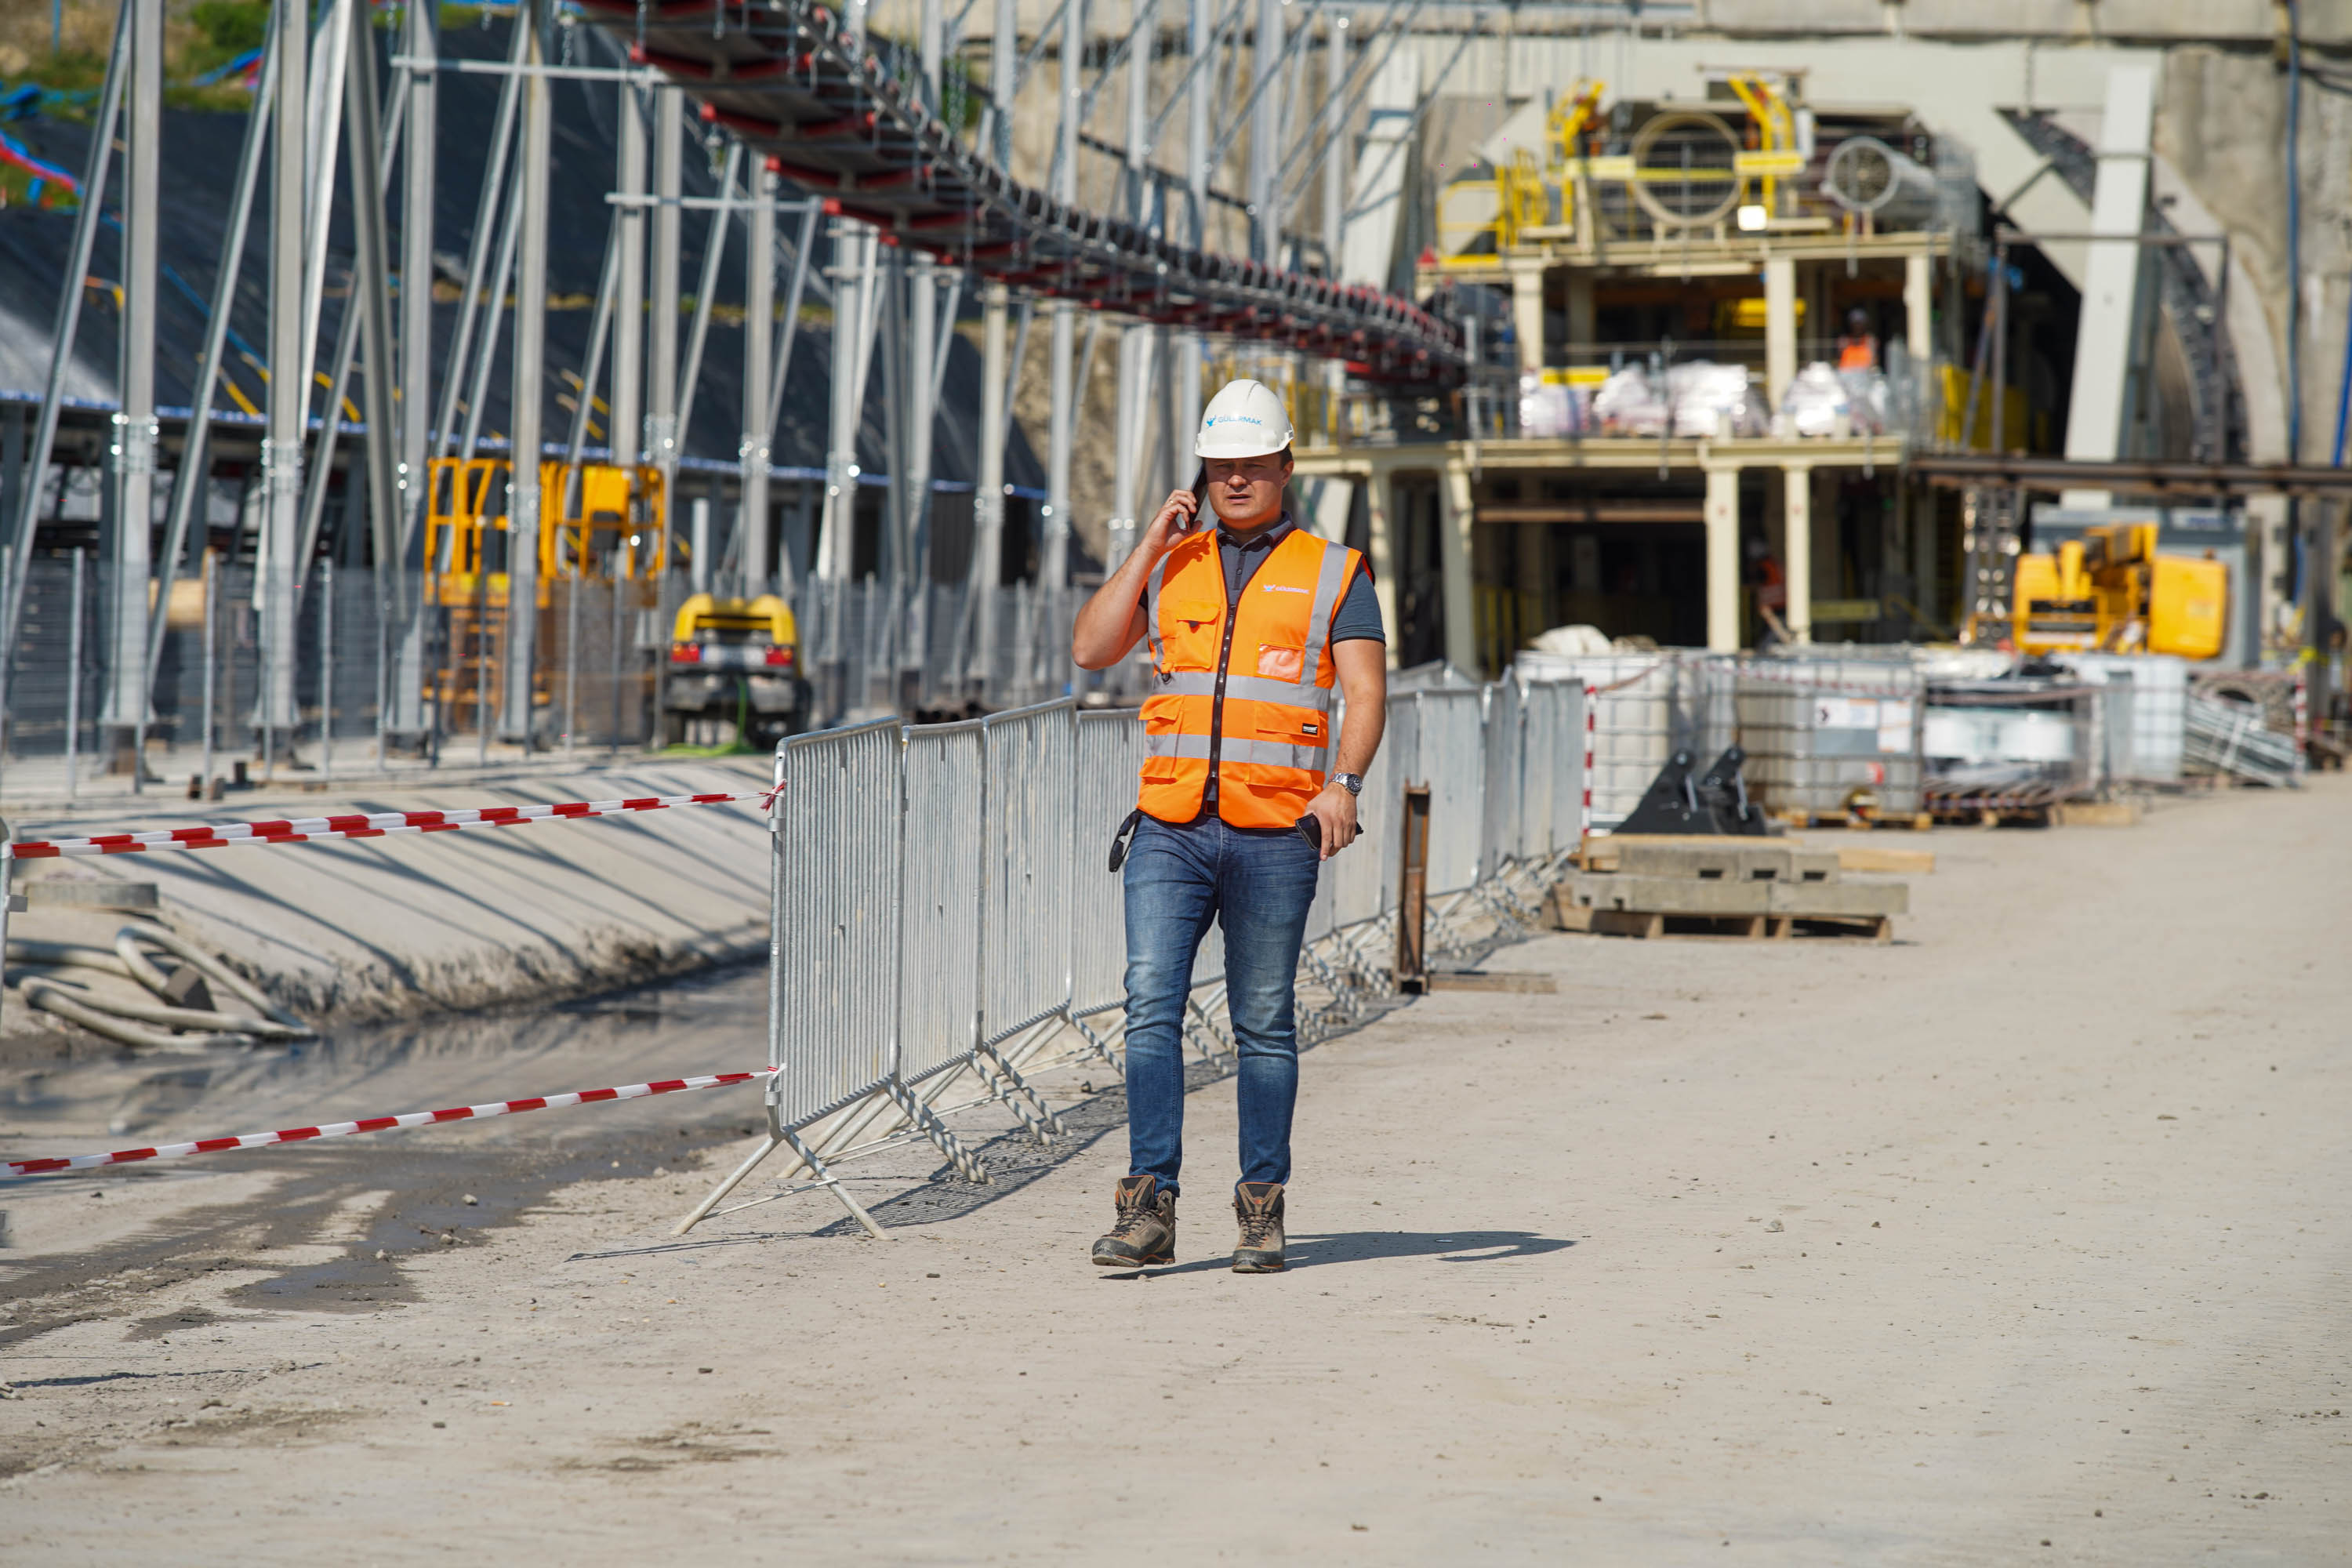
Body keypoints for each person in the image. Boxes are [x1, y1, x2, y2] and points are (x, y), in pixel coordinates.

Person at [1069, 379, 1388, 1274]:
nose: (1236, 480)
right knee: (1148, 1007)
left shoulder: (1336, 571)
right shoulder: (1173, 563)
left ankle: (1260, 1209)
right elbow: (1091, 648)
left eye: (1252, 464)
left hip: (1277, 831)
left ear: (1286, 466)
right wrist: (1147, 546)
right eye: (1220, 467)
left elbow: (1367, 692)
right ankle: (1148, 1208)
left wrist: (1344, 786)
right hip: (1169, 825)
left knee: (1264, 1022)